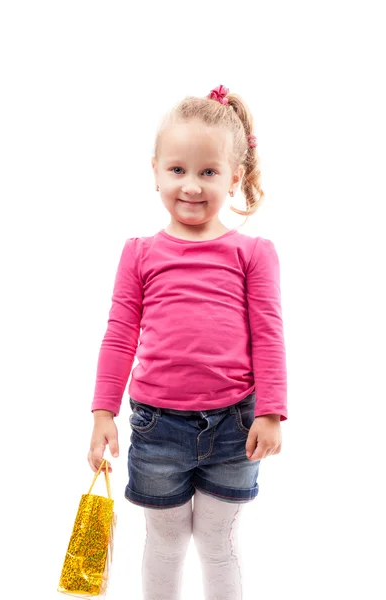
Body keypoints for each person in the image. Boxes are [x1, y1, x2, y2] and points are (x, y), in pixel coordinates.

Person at [87, 84, 288, 600]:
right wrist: (103, 411)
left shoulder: (253, 253)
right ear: (154, 171)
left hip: (235, 427)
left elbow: (268, 334)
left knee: (218, 543)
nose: (192, 186)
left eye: (209, 172)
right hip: (157, 426)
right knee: (166, 541)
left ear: (235, 176)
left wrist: (271, 411)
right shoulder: (138, 253)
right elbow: (119, 334)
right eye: (178, 170)